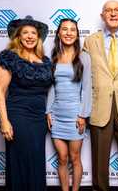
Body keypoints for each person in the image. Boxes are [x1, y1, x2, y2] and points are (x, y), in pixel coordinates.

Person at [83, 0, 118, 191]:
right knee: (100, 154)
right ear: (102, 16)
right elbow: (83, 75)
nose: (113, 13)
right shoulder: (91, 41)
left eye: (117, 10)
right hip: (99, 105)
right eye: (108, 10)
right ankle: (100, 188)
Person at [0, 15, 53, 191]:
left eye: (33, 33)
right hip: (18, 116)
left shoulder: (45, 61)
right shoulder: (8, 57)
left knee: (35, 160)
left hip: (39, 119)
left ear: (38, 37)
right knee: (20, 160)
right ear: (18, 37)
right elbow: (0, 91)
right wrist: (4, 121)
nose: (29, 36)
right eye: (25, 33)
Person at [46, 18, 91, 191]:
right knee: (62, 158)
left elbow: (86, 88)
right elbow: (51, 87)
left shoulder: (84, 57)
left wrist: (82, 115)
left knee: (75, 157)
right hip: (57, 115)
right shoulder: (53, 56)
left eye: (73, 30)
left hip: (75, 116)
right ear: (59, 33)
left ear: (77, 34)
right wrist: (48, 111)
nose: (69, 33)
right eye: (65, 29)